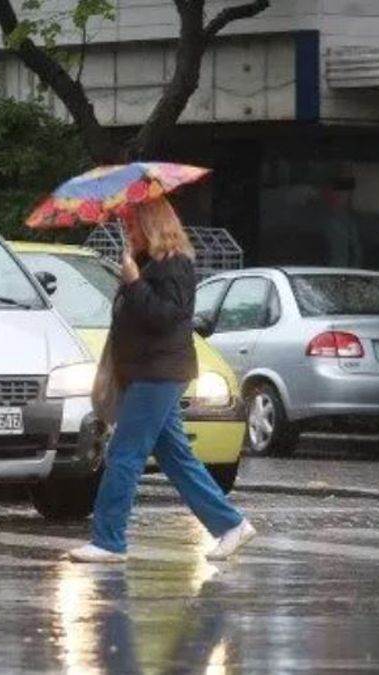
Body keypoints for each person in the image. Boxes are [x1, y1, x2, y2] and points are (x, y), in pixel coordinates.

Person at [66, 197, 256, 563]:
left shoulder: (175, 264)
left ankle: (109, 540)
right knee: (175, 456)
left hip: (159, 373)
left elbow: (165, 316)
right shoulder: (148, 262)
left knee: (123, 453)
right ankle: (231, 524)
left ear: (152, 225)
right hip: (147, 372)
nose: (129, 231)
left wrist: (134, 283)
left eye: (134, 224)